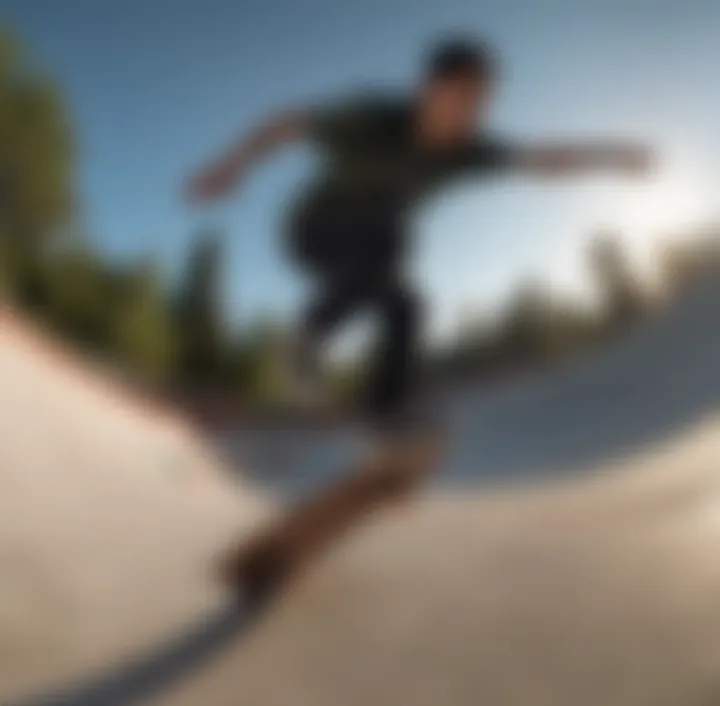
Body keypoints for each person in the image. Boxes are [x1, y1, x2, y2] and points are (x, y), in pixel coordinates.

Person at [186, 36, 653, 438]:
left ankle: (383, 411)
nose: (472, 113)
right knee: (392, 236)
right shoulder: (373, 117)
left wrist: (611, 157)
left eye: (482, 102)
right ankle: (304, 342)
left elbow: (541, 161)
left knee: (407, 306)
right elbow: (288, 122)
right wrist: (231, 166)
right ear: (430, 89)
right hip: (312, 231)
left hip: (366, 255)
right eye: (464, 97)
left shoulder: (469, 151)